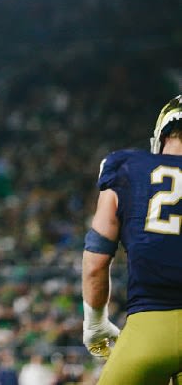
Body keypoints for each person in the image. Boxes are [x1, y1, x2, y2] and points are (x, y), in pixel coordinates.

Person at [82, 94, 182, 384]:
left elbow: (96, 263)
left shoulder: (126, 167)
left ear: (161, 135)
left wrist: (96, 322)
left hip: (152, 329)